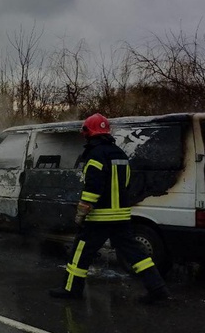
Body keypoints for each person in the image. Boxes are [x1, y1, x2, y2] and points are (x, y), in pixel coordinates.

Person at [49, 113, 170, 304]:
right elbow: (127, 182)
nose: (83, 134)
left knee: (80, 252)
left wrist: (82, 212)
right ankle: (158, 289)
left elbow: (92, 188)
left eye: (85, 131)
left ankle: (71, 289)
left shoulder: (95, 155)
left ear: (90, 132)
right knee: (136, 254)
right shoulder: (120, 154)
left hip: (99, 217)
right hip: (121, 216)